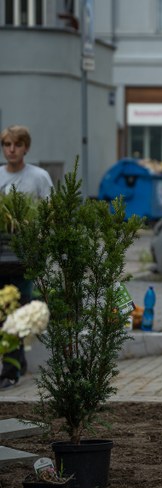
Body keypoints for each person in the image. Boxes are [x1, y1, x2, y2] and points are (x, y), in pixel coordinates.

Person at [0, 125, 54, 390]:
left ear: (26, 148)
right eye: (7, 145)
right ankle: (12, 364)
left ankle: (12, 369)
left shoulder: (38, 177)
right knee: (2, 312)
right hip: (1, 254)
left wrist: (39, 243)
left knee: (19, 311)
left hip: (22, 257)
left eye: (17, 145)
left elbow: (49, 213)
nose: (11, 150)